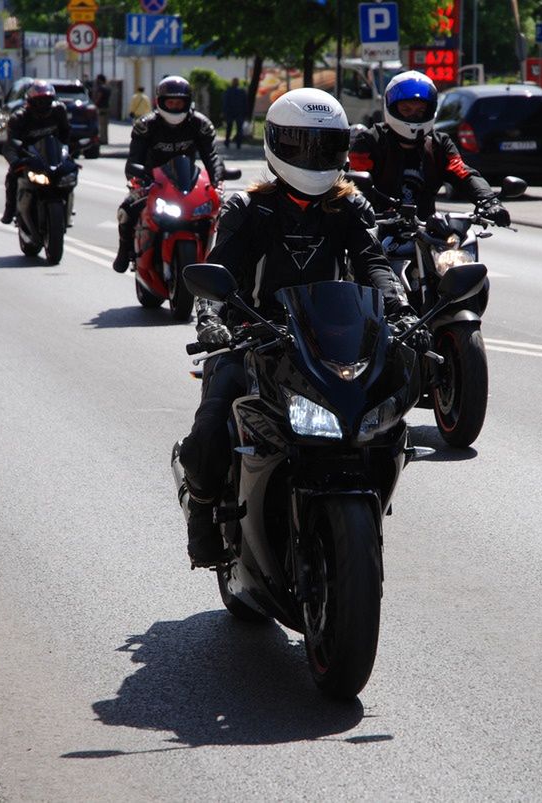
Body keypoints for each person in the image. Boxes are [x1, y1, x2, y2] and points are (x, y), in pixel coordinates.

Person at [175, 87, 427, 567]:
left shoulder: (349, 206)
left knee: (384, 413)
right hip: (253, 337)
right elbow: (219, 271)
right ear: (275, 143)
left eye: (324, 145)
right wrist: (210, 319)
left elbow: (374, 264)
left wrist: (400, 310)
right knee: (210, 428)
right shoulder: (247, 208)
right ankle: (202, 513)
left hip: (328, 341)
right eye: (300, 144)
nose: (312, 156)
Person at [348, 70, 509, 225]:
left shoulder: (438, 143)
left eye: (420, 111)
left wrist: (489, 202)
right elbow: (354, 183)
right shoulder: (370, 140)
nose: (413, 115)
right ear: (392, 107)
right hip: (377, 227)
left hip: (426, 229)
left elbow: (464, 174)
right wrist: (363, 209)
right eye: (406, 110)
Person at [112, 75, 224, 274]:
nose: (174, 106)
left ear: (187, 102)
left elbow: (212, 157)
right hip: (151, 182)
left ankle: (217, 259)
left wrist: (217, 181)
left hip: (187, 182)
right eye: (170, 102)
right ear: (160, 102)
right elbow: (134, 160)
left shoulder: (200, 124)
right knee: (127, 210)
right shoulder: (146, 125)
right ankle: (123, 252)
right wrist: (138, 178)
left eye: (179, 102)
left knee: (222, 211)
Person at [0, 80, 70, 225]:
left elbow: (66, 134)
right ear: (30, 102)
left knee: (70, 172)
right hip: (29, 158)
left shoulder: (59, 111)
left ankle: (67, 208)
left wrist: (68, 152)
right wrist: (16, 160)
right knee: (12, 176)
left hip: (53, 157)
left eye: (47, 100)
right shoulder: (19, 117)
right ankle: (10, 209)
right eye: (39, 101)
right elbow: (10, 144)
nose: (43, 105)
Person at [221, 77, 247, 149]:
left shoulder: (228, 91)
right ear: (238, 83)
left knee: (229, 127)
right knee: (239, 129)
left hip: (230, 112)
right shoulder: (242, 91)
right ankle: (238, 143)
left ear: (232, 83)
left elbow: (225, 102)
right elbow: (245, 103)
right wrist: (245, 113)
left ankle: (227, 142)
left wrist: (224, 112)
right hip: (239, 112)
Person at [91, 73, 110, 145]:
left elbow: (99, 97)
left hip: (101, 108)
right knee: (105, 125)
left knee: (101, 124)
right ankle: (105, 139)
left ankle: (102, 139)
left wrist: (94, 104)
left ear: (100, 80)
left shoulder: (101, 88)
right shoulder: (108, 87)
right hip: (106, 107)